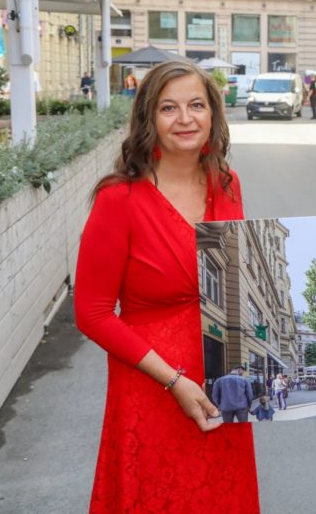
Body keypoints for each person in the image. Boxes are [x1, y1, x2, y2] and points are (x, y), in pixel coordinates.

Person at [74, 60, 259, 513]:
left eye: (196, 105)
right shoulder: (120, 198)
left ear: (213, 113)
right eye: (169, 108)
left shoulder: (227, 185)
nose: (185, 119)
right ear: (148, 120)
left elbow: (235, 276)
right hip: (151, 384)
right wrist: (174, 381)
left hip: (221, 384)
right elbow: (92, 313)